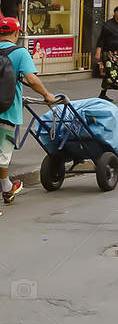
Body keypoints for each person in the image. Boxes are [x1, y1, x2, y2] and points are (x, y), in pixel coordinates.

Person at [0, 15, 57, 209]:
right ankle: (6, 188)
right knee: (3, 153)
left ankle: (7, 188)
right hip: (6, 111)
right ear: (16, 33)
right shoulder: (20, 53)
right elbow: (31, 79)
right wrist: (47, 95)